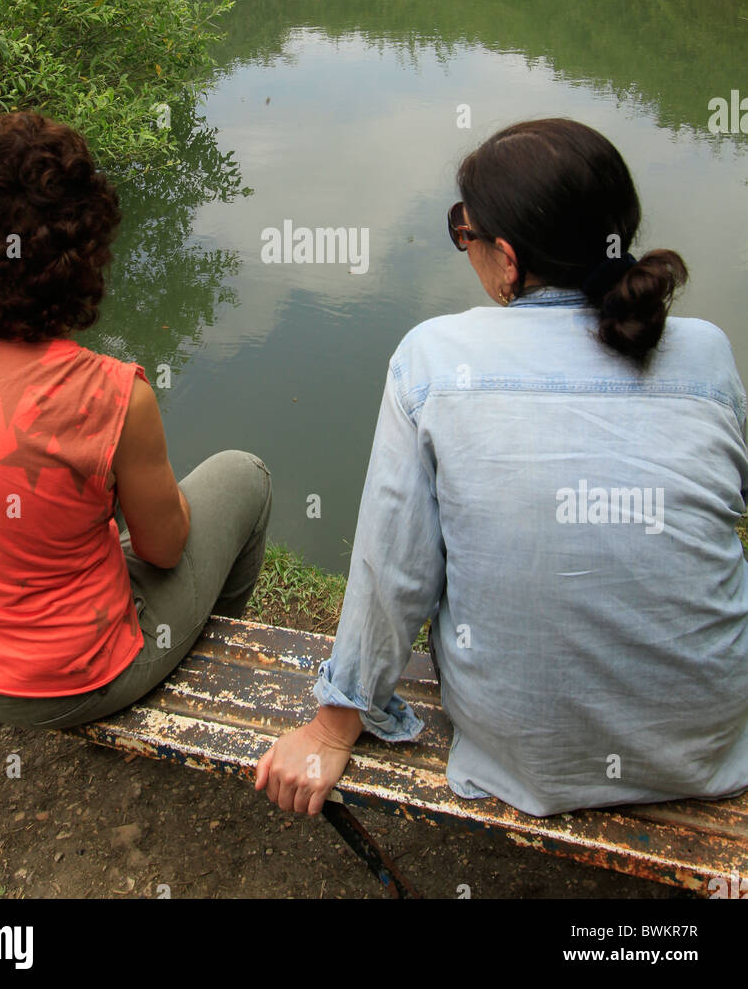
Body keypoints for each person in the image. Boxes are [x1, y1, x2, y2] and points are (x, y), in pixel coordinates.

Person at [255, 117, 748, 819]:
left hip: (523, 758)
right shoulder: (704, 352)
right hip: (706, 744)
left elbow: (396, 571)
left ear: (508, 258)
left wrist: (331, 729)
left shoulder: (434, 359)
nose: (464, 244)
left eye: (466, 230)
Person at [0, 110, 271, 730]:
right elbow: (165, 550)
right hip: (71, 682)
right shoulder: (111, 394)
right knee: (244, 475)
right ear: (86, 254)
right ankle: (207, 669)